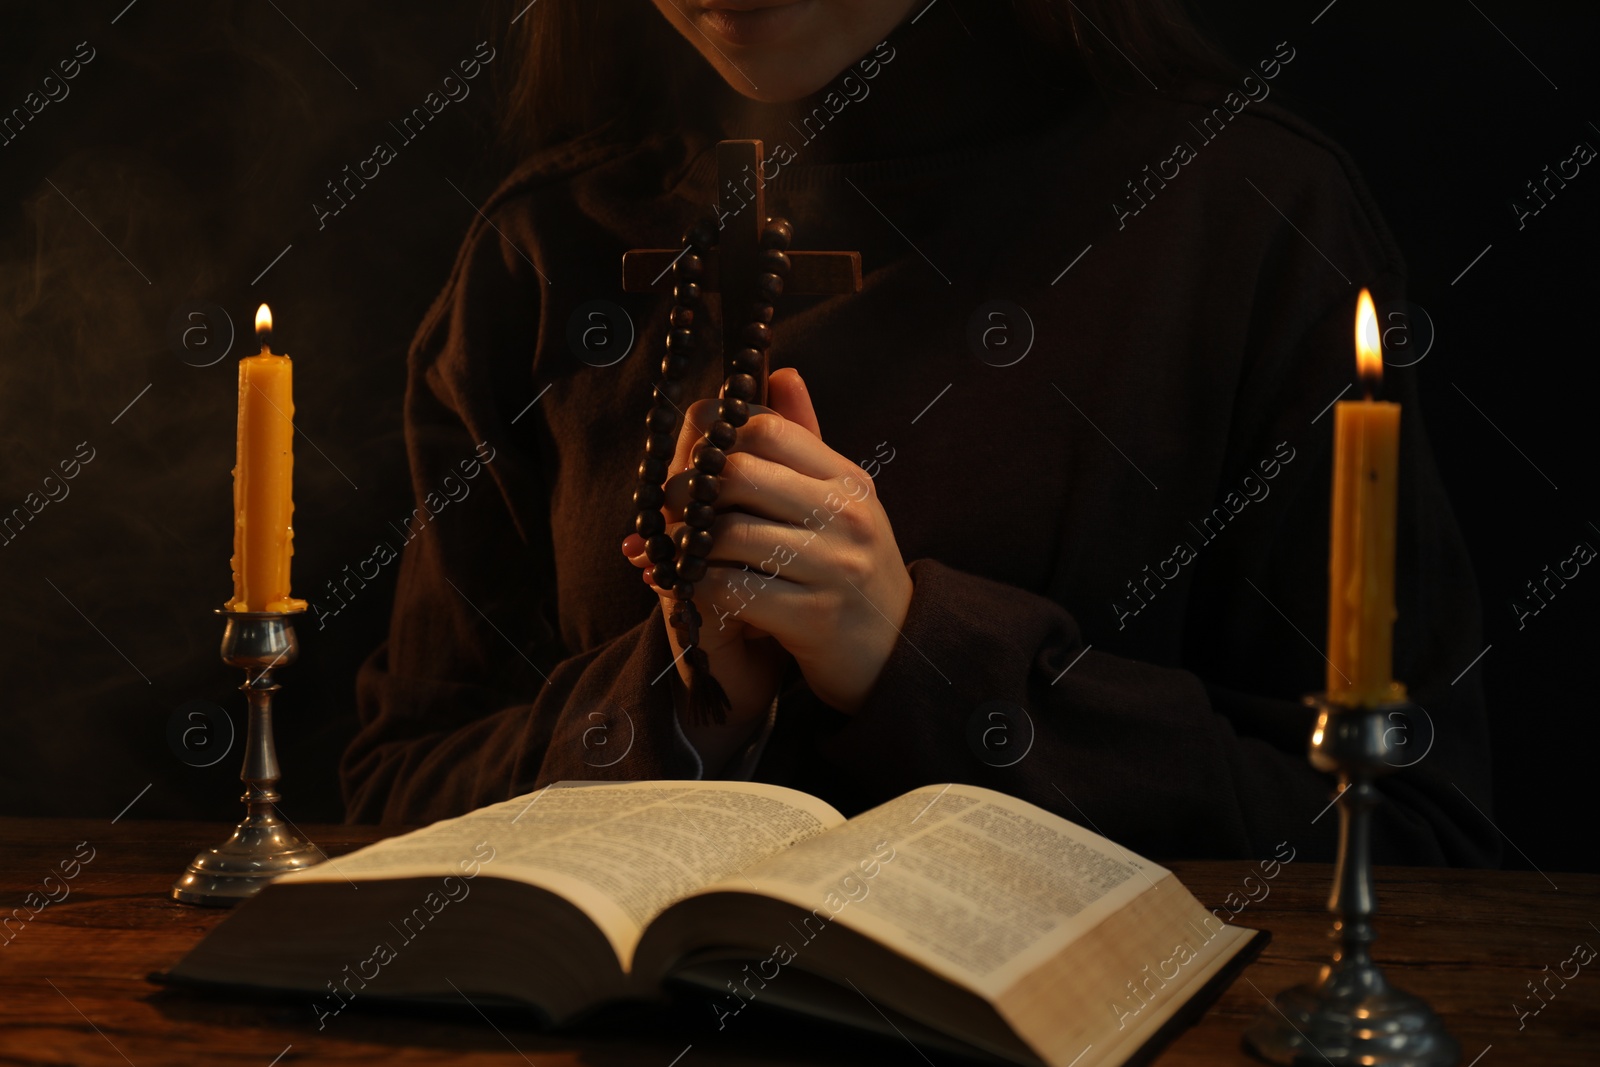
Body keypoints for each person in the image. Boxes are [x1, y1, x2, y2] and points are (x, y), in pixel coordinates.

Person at [342, 0, 1499, 865]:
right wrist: (667, 696)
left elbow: (1409, 830)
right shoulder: (539, 250)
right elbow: (394, 793)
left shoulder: (1239, 218)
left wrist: (920, 657)